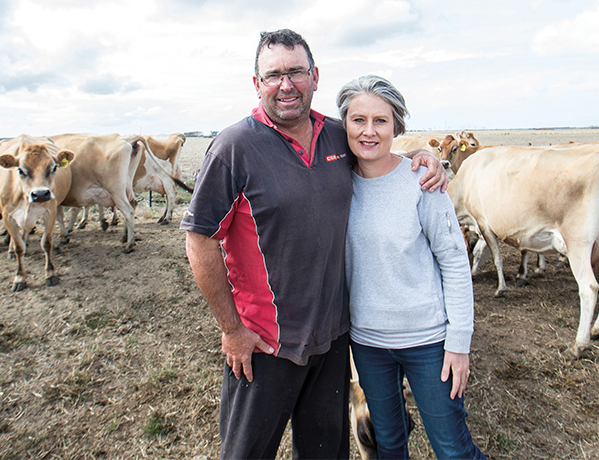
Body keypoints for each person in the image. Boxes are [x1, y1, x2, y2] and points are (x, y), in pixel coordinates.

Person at [181, 29, 448, 459]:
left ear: (315, 76)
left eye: (296, 72)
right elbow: (200, 241)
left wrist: (427, 158)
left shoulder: (337, 137)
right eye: (273, 75)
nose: (285, 85)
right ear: (257, 84)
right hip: (264, 343)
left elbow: (380, 144)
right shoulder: (235, 147)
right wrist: (232, 330)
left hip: (333, 339)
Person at [337, 74, 487, 459]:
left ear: (396, 126)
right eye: (358, 120)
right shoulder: (334, 183)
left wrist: (459, 342)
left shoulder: (422, 181)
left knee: (453, 449)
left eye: (381, 121)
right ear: (344, 125)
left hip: (428, 342)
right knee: (388, 445)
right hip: (368, 344)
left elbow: (454, 261)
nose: (369, 131)